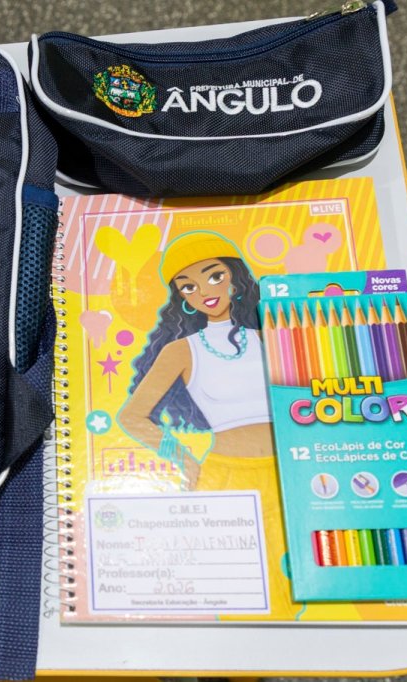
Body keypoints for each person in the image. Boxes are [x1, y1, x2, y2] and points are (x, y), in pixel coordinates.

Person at [117, 230, 300, 619]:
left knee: (310, 577)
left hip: (291, 469)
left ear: (236, 277)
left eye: (214, 276)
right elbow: (131, 416)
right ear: (181, 296)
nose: (203, 291)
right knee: (247, 595)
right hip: (228, 477)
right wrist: (184, 460)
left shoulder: (273, 335)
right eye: (188, 286)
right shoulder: (182, 350)